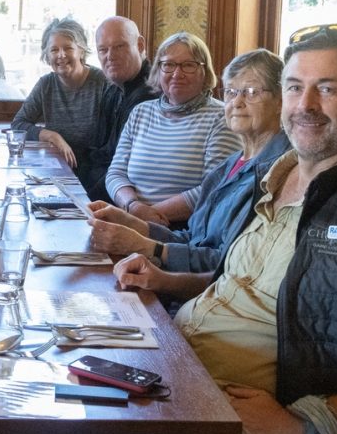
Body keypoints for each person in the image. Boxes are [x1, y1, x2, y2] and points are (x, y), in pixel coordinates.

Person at [109, 26, 337, 434]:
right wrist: (163, 278)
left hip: (239, 428)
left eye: (327, 89)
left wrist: (305, 424)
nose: (306, 105)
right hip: (173, 372)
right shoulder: (273, 178)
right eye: (295, 87)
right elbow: (246, 284)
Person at [89, 49, 291, 277]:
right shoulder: (229, 166)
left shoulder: (280, 174)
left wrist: (147, 246)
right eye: (231, 92)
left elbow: (227, 266)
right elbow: (194, 238)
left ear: (281, 101)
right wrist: (132, 222)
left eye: (251, 92)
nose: (237, 102)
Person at [104, 32, 239, 225]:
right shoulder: (140, 112)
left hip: (183, 231)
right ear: (158, 70)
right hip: (131, 217)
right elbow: (116, 173)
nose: (177, 74)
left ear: (204, 72)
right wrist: (133, 207)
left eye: (188, 65)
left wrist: (147, 217)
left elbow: (214, 186)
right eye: (168, 65)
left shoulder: (221, 117)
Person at [10, 17, 108, 169]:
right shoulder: (46, 84)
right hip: (58, 168)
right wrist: (52, 136)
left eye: (68, 48)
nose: (61, 55)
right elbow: (18, 125)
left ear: (81, 50)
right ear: (47, 56)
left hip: (96, 171)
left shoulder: (102, 82)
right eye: (54, 50)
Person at [77, 16, 157, 200]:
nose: (110, 56)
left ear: (140, 45)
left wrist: (81, 201)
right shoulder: (113, 89)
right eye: (103, 50)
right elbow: (97, 151)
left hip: (122, 200)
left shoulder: (150, 96)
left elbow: (122, 169)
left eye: (119, 47)